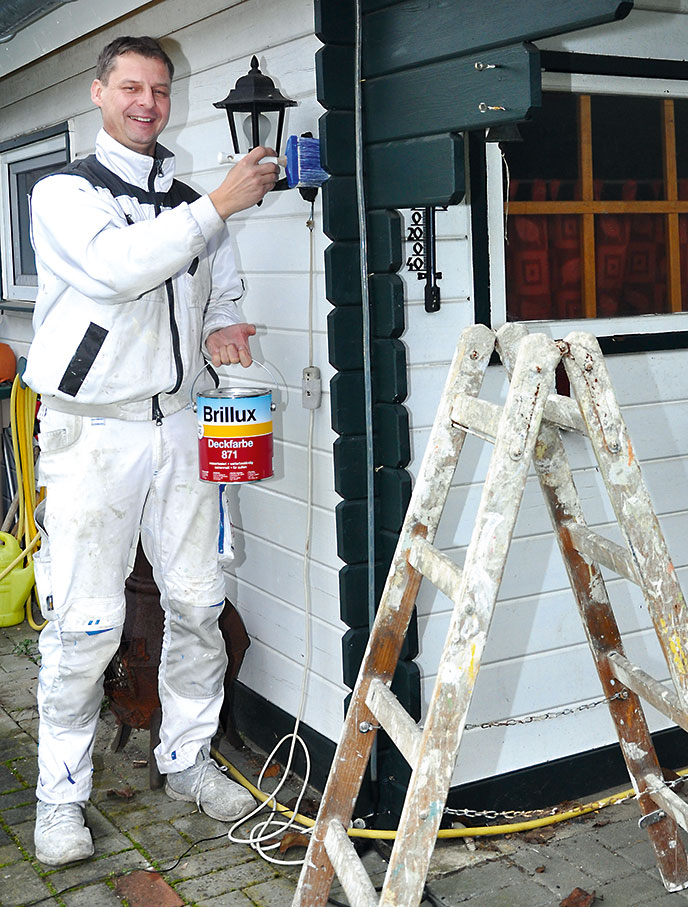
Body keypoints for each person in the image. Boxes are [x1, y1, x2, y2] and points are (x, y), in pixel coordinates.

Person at [23, 35, 279, 867]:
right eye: (130, 86)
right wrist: (219, 203)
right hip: (93, 430)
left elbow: (215, 287)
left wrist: (222, 324)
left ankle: (189, 758)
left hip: (180, 424)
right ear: (98, 93)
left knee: (198, 602)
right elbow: (113, 269)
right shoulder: (66, 193)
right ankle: (59, 799)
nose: (147, 102)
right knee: (86, 622)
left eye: (160, 89)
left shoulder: (184, 199)